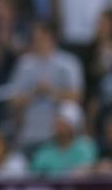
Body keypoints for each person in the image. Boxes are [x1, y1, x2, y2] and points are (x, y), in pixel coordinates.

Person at [7, 20, 83, 151]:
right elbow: (13, 100)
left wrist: (51, 91)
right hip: (30, 133)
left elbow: (77, 96)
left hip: (58, 136)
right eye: (35, 37)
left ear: (50, 36)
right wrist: (35, 92)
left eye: (40, 36)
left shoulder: (67, 63)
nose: (36, 40)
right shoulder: (24, 64)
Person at [31, 100, 98, 176]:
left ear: (73, 127)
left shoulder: (86, 146)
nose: (57, 127)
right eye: (56, 123)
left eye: (62, 124)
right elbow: (35, 175)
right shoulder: (45, 150)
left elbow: (87, 170)